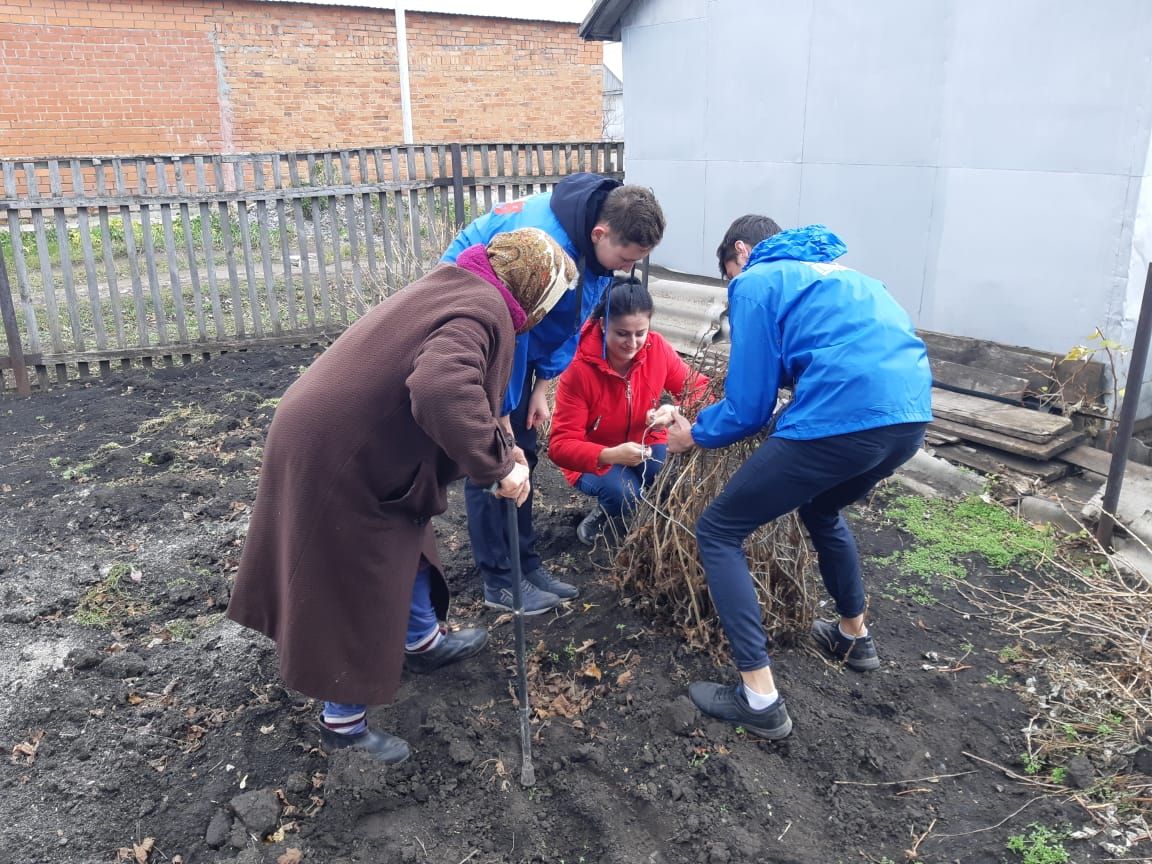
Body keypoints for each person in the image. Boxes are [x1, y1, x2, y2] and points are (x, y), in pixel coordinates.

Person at [226, 228, 578, 763]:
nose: (546, 313)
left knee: (403, 538)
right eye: (550, 302)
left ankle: (421, 641)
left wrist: (505, 448)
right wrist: (497, 466)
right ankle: (342, 721)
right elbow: (440, 387)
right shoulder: (479, 312)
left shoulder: (461, 284)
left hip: (333, 434)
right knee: (354, 575)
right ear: (532, 292)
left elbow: (461, 389)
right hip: (337, 453)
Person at [666, 217, 933, 740]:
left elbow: (748, 407)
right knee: (821, 508)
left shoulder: (757, 279)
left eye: (727, 274)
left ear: (741, 251)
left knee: (719, 531)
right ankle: (854, 638)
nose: (731, 286)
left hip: (842, 417)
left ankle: (758, 697)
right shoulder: (849, 277)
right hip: (909, 418)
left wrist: (694, 434)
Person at [442, 173, 665, 614]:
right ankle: (501, 580)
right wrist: (502, 411)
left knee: (525, 450)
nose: (626, 269)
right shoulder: (545, 244)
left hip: (517, 333)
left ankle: (526, 564)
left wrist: (542, 385)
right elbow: (510, 332)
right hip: (473, 323)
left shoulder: (595, 247)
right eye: (624, 257)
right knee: (494, 459)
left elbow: (569, 315)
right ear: (600, 233)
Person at [548, 275, 708, 546]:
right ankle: (608, 512)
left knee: (664, 479)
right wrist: (609, 454)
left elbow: (702, 390)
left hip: (645, 442)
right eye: (621, 333)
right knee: (625, 494)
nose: (632, 344)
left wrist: (673, 411)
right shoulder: (578, 368)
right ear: (602, 325)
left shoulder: (656, 349)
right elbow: (560, 446)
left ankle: (640, 513)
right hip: (595, 454)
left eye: (640, 333)